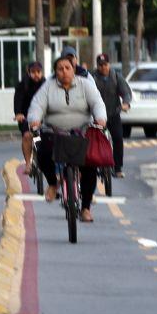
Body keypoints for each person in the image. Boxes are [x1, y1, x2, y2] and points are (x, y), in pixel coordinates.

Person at [27, 54, 108, 222]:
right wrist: (34, 120)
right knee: (41, 149)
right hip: (54, 132)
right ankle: (52, 183)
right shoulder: (48, 87)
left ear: (73, 70)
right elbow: (37, 105)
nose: (64, 71)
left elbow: (97, 103)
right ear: (55, 72)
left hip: (82, 131)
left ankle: (85, 208)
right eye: (60, 69)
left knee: (90, 166)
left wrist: (100, 118)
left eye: (67, 68)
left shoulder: (85, 85)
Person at [93, 53, 132, 177]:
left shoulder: (116, 76)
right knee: (93, 141)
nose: (103, 67)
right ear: (97, 66)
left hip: (113, 113)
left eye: (105, 65)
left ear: (109, 64)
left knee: (118, 138)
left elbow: (126, 92)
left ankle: (118, 168)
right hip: (97, 116)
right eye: (100, 65)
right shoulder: (92, 78)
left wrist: (125, 103)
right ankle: (94, 166)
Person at [13, 61, 45, 171]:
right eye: (33, 72)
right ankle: (28, 163)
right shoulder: (23, 85)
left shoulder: (46, 84)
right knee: (27, 136)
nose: (36, 74)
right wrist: (18, 114)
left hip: (43, 117)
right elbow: (18, 101)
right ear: (29, 72)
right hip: (26, 117)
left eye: (38, 72)